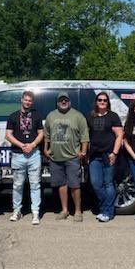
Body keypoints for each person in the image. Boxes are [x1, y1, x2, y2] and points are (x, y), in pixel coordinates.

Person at [44, 92, 88, 222]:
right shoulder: (51, 116)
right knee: (61, 185)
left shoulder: (78, 116)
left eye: (66, 100)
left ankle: (78, 211)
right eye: (61, 100)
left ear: (69, 101)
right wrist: (45, 149)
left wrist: (83, 151)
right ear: (57, 102)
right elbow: (46, 134)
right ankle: (64, 210)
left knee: (75, 185)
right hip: (55, 158)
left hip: (72, 157)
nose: (63, 102)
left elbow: (84, 135)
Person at [5, 90, 44, 225]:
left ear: (32, 102)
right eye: (25, 99)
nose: (27, 102)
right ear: (21, 100)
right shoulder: (13, 116)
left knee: (35, 185)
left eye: (30, 100)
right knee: (17, 185)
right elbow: (8, 135)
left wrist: (32, 145)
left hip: (34, 154)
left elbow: (41, 133)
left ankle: (35, 212)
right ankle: (17, 211)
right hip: (18, 154)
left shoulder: (37, 115)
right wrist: (22, 145)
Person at [86, 92, 124, 223]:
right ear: (96, 101)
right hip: (94, 155)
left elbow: (119, 135)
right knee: (96, 184)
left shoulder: (113, 116)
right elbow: (86, 137)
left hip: (108, 155)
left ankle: (107, 212)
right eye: (100, 100)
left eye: (105, 100)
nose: (102, 102)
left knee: (108, 183)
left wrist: (114, 153)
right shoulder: (90, 116)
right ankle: (106, 208)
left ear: (108, 102)